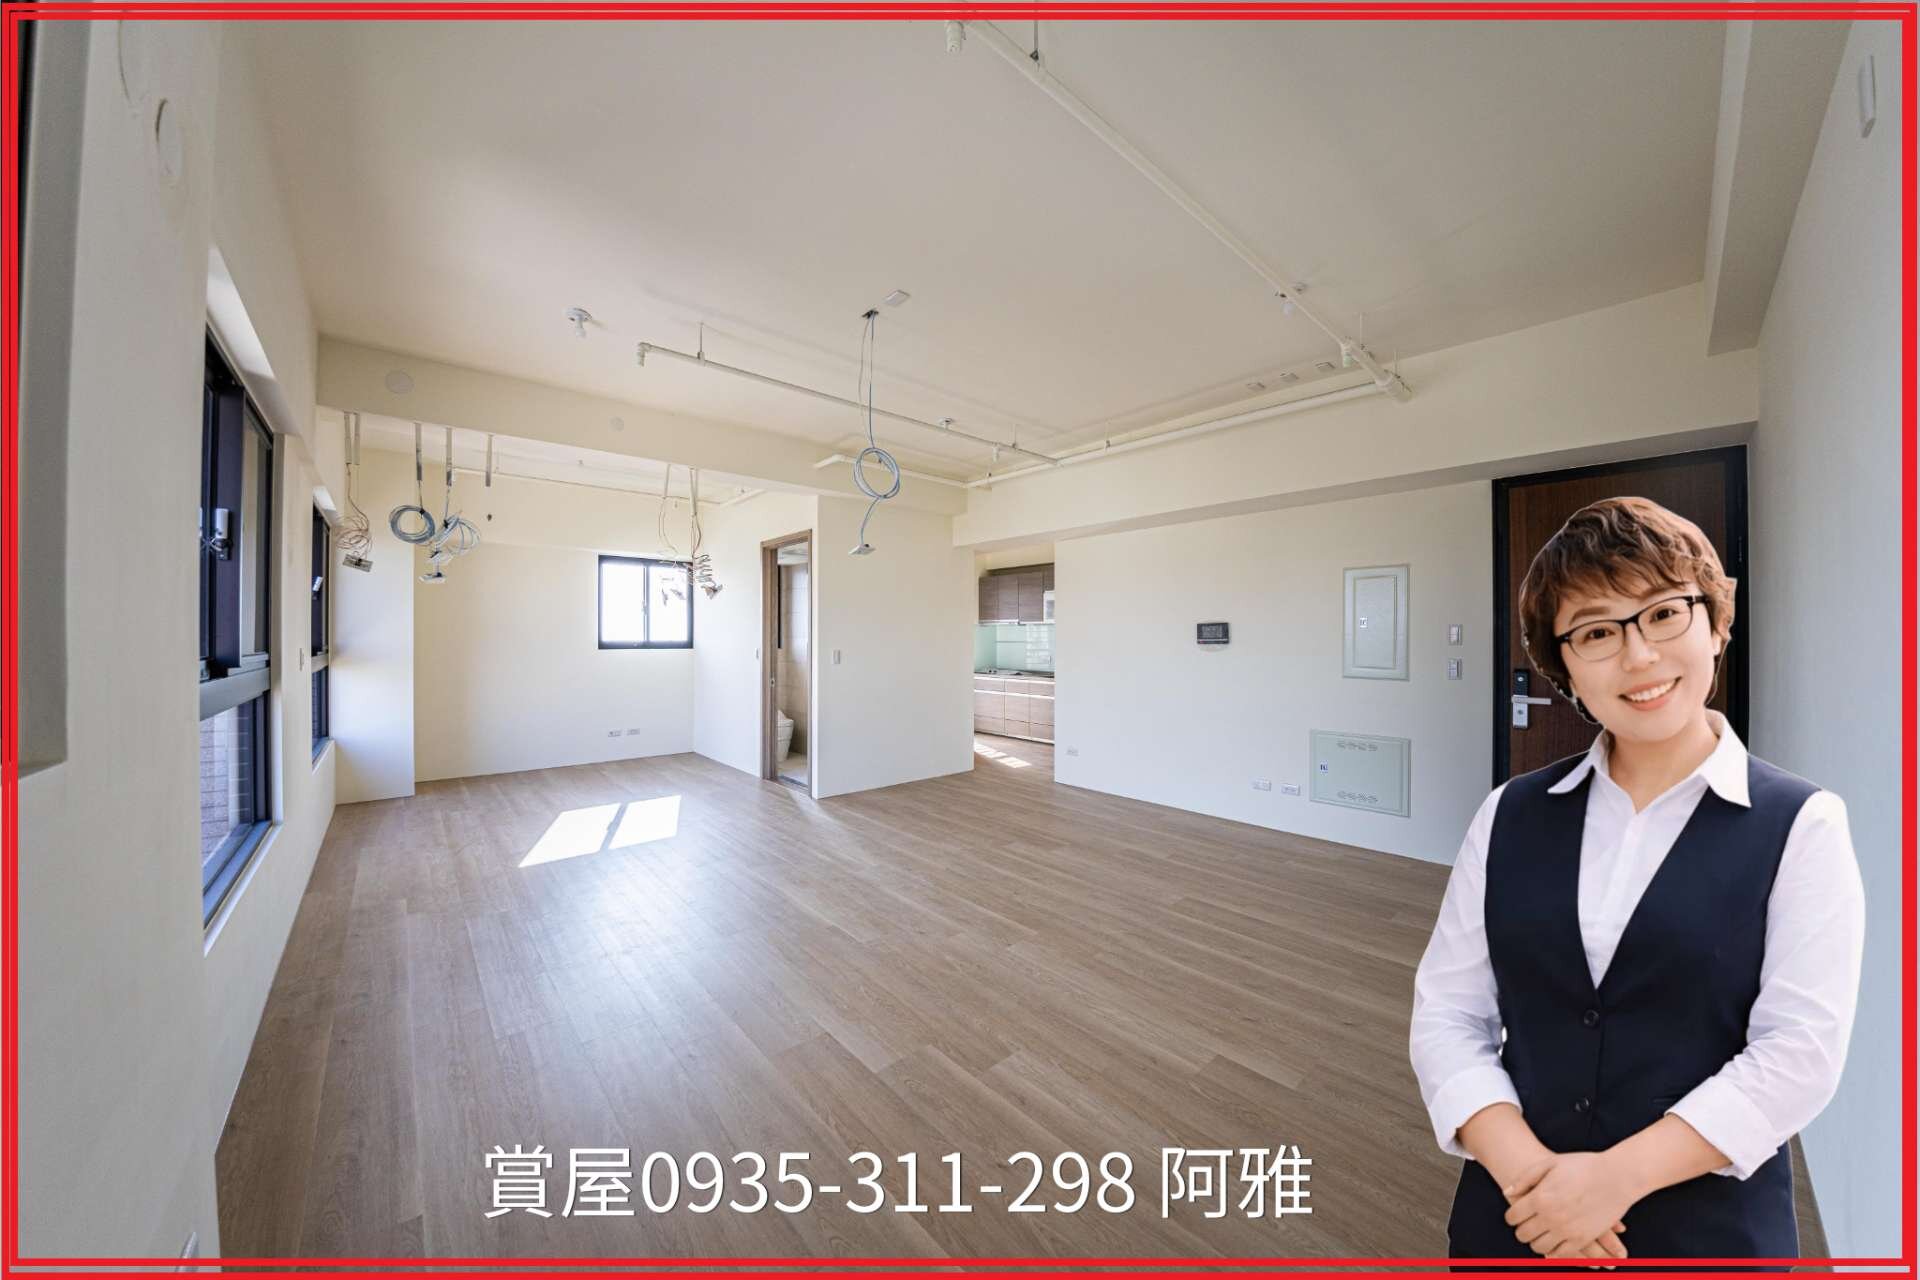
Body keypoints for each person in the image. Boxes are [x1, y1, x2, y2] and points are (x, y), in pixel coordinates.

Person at [1409, 496, 1865, 1264]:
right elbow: (1448, 1016)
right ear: (1565, 668)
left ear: (1715, 624)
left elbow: (1799, 1053)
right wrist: (1535, 1182)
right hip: (1515, 1223)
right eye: (1597, 632)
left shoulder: (1802, 824)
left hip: (1709, 1237)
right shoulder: (1508, 813)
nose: (1640, 655)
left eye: (1663, 613)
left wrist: (1611, 1182)